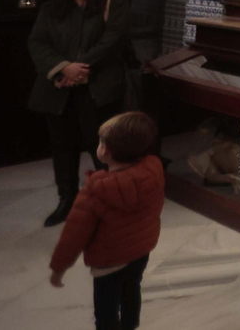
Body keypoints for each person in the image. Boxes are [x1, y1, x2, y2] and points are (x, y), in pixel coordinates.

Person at [28, 0, 131, 226]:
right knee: (62, 147)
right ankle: (67, 199)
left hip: (97, 88)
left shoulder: (113, 2)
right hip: (59, 87)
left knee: (102, 148)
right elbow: (38, 42)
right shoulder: (54, 7)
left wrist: (80, 69)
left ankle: (107, 203)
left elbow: (113, 40)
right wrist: (63, 68)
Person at [48, 111, 165, 330]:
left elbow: (73, 236)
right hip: (141, 250)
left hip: (109, 261)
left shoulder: (95, 191)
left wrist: (58, 269)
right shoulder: (153, 169)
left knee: (106, 311)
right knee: (131, 291)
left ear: (105, 150)